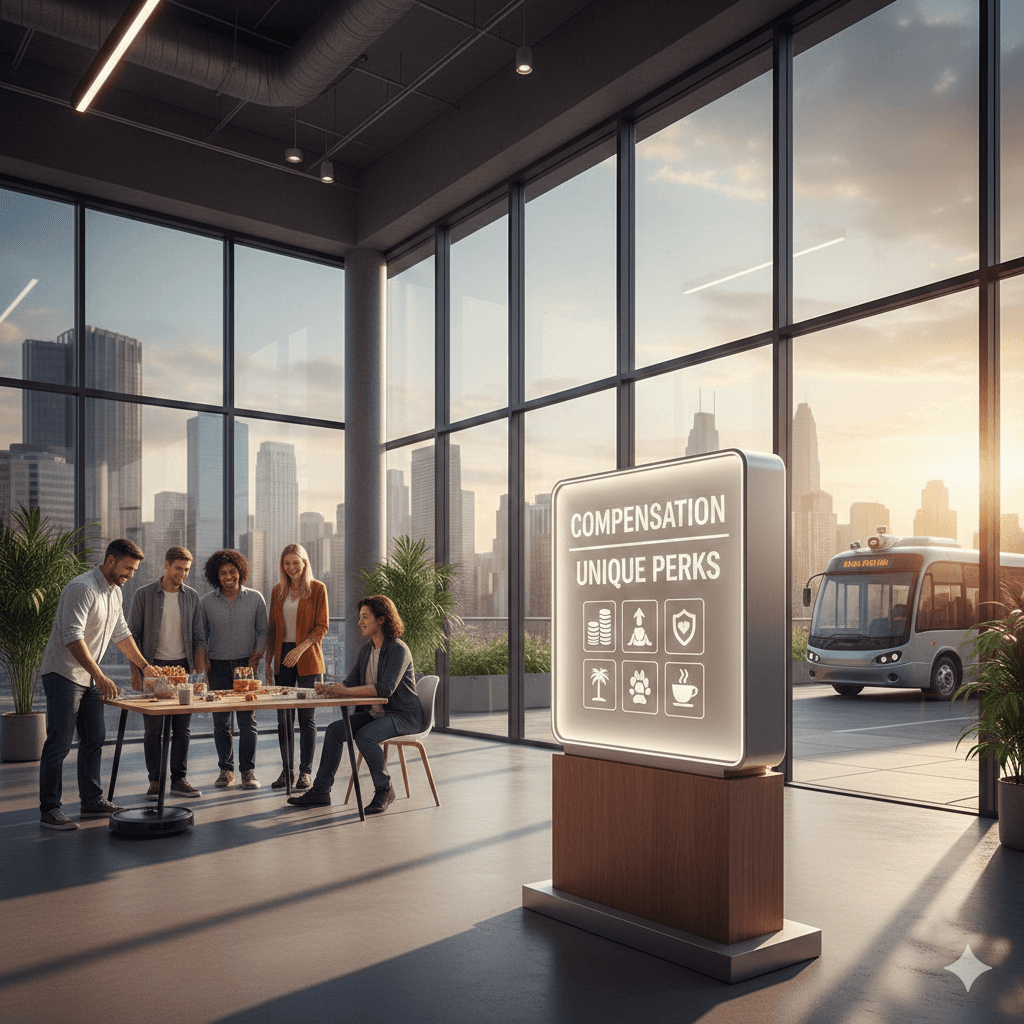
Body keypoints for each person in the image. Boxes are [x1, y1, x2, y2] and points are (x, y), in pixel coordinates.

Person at [38, 539, 158, 831]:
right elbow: (72, 637)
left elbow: (122, 633)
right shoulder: (82, 588)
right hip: (63, 673)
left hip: (89, 676)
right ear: (111, 560)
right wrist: (101, 676)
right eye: (128, 568)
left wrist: (144, 666)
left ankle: (91, 799)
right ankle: (50, 809)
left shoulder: (114, 592)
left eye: (134, 569)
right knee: (60, 743)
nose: (130, 574)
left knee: (94, 739)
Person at [287, 595, 423, 815]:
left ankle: (384, 788)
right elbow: (350, 683)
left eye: (365, 617)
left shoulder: (398, 649)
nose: (360, 622)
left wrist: (346, 691)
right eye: (360, 617)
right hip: (377, 713)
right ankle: (321, 790)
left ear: (381, 619)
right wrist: (331, 687)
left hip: (403, 715)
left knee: (365, 736)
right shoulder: (366, 650)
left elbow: (386, 688)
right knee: (333, 731)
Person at [127, 545, 207, 800]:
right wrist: (137, 672)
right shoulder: (144, 594)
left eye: (186, 570)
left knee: (182, 729)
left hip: (182, 669)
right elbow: (132, 636)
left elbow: (198, 639)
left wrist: (198, 675)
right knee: (153, 730)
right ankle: (155, 781)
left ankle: (179, 779)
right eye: (178, 568)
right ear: (166, 565)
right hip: (152, 667)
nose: (182, 574)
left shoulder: (191, 596)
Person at [200, 549, 268, 790]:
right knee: (221, 723)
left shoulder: (255, 598)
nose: (228, 576)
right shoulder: (207, 601)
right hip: (217, 667)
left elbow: (263, 631)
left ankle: (248, 771)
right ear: (216, 576)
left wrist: (256, 658)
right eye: (222, 573)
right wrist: (205, 660)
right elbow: (201, 635)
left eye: (232, 571)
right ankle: (225, 770)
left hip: (246, 666)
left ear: (240, 572)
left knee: (247, 722)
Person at [266, 543, 329, 791]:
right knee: (284, 719)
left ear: (304, 563)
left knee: (306, 718)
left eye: (296, 562)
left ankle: (305, 772)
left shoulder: (317, 589)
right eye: (286, 563)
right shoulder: (277, 591)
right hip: (282, 657)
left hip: (308, 658)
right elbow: (272, 630)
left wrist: (299, 648)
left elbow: (322, 626)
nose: (291, 568)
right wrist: (270, 664)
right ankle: (287, 770)